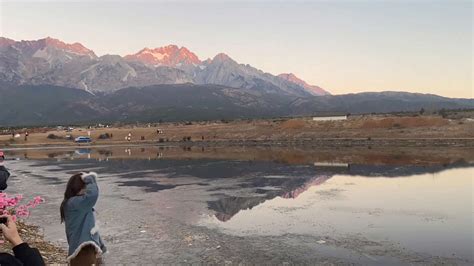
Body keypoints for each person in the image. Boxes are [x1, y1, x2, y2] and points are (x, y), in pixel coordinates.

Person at [60, 172, 106, 265]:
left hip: (86, 251)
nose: (87, 190)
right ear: (78, 188)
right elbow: (92, 195)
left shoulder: (75, 204)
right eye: (86, 187)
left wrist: (101, 245)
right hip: (82, 253)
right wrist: (89, 178)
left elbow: (88, 227)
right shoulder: (74, 203)